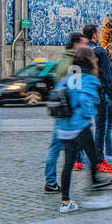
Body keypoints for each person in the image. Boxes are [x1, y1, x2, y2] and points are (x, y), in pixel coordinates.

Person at [56, 46, 112, 213]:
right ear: (91, 60)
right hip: (80, 126)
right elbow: (85, 101)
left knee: (68, 163)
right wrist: (89, 114)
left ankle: (65, 202)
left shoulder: (69, 75)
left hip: (65, 127)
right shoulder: (89, 78)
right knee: (95, 159)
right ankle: (96, 196)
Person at [43, 32, 87, 193]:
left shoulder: (63, 61)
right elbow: (75, 89)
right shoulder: (74, 63)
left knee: (56, 147)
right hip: (70, 113)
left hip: (61, 111)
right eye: (83, 43)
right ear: (75, 44)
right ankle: (54, 183)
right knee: (78, 147)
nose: (86, 46)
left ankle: (51, 181)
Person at [80, 24, 112, 174]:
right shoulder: (99, 51)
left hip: (83, 93)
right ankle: (99, 160)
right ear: (95, 36)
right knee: (100, 128)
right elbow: (106, 76)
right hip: (98, 93)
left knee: (83, 126)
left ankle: (78, 160)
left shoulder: (81, 51)